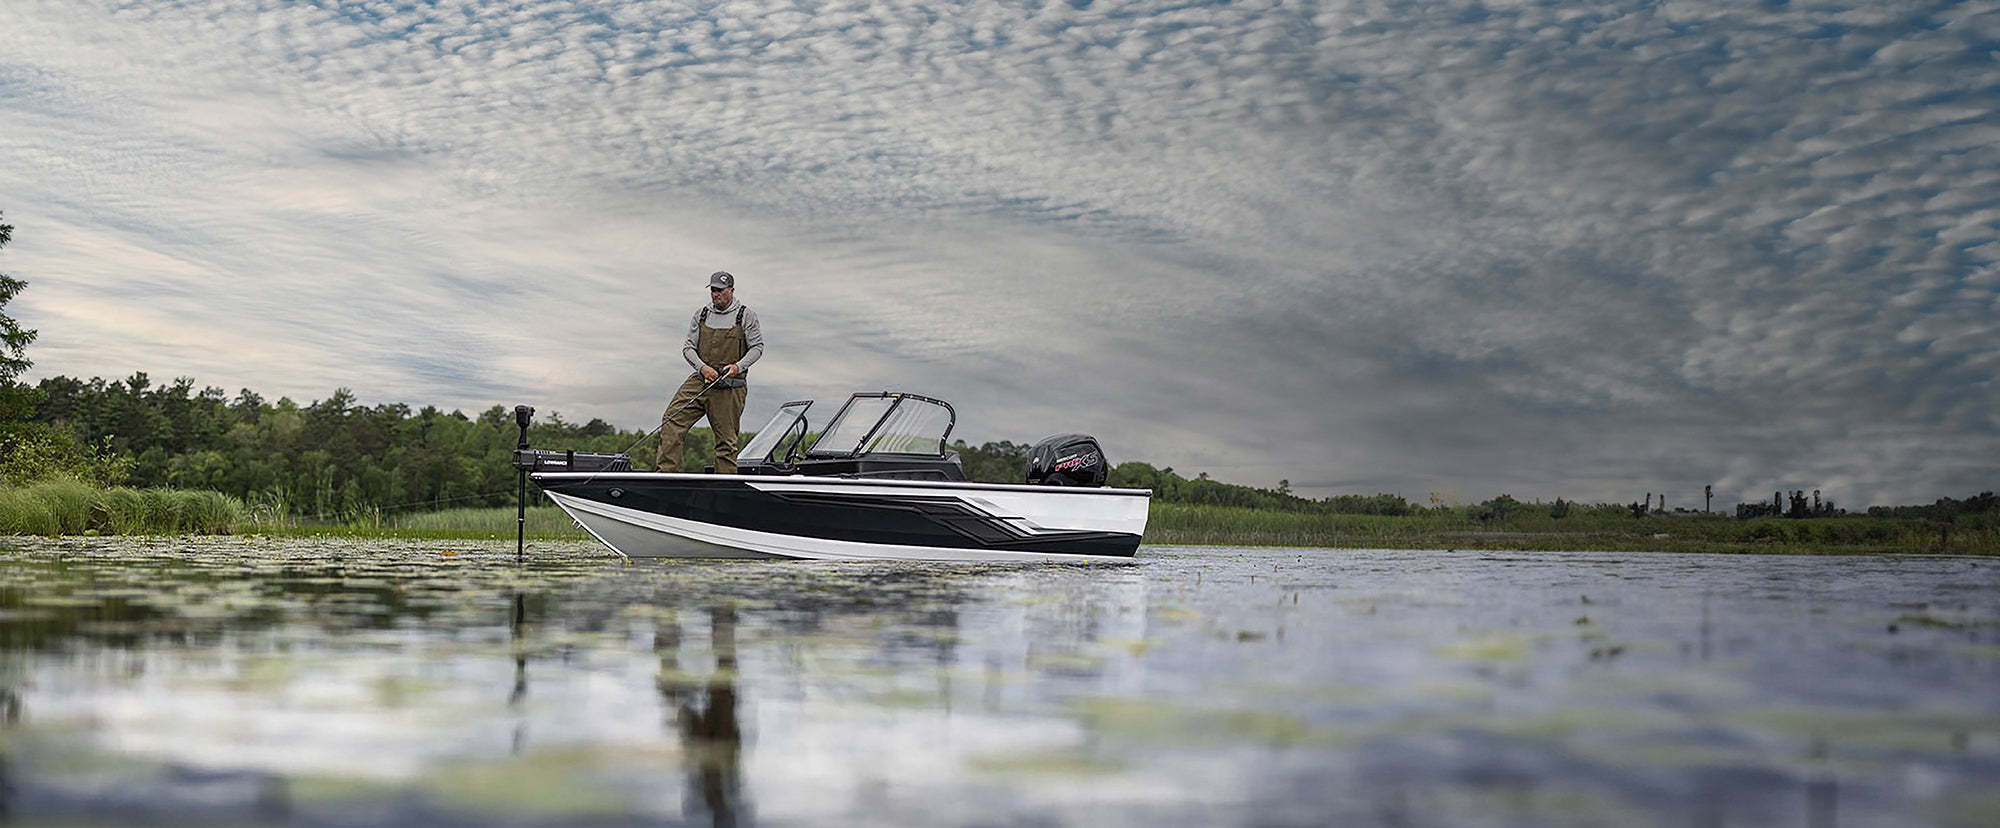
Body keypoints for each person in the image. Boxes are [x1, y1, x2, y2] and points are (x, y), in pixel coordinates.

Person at [657, 271, 764, 473]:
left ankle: (725, 486)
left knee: (726, 441)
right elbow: (688, 347)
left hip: (730, 387)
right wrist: (702, 367)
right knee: (671, 419)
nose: (716, 295)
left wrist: (737, 367)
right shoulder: (701, 314)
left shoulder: (745, 315)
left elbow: (757, 348)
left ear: (731, 291)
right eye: (713, 290)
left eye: (720, 291)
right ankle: (666, 474)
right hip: (701, 380)